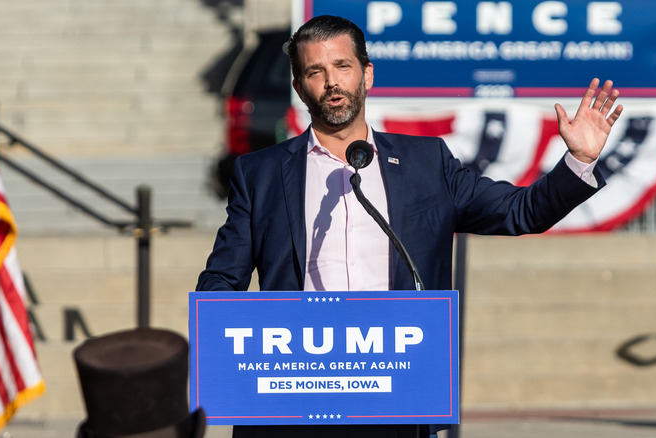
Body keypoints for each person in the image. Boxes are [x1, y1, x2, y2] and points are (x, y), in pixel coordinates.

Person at [196, 14, 622, 438]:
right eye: (315, 71)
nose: (331, 83)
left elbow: (521, 211)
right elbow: (221, 278)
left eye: (343, 67)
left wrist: (579, 161)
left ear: (367, 74)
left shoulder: (426, 163)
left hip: (395, 398)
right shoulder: (261, 172)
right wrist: (232, 344)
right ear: (299, 87)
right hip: (294, 402)